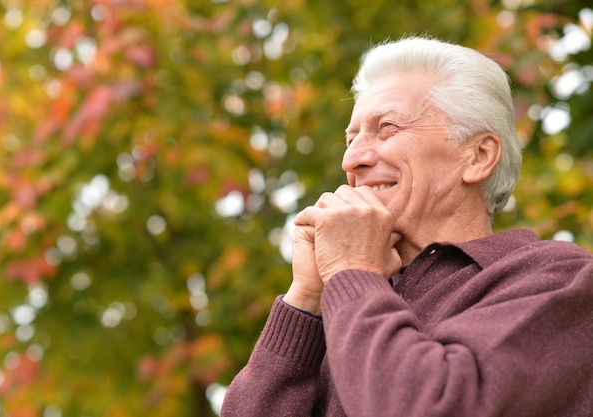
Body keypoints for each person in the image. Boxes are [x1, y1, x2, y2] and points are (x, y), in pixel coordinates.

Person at [220, 36, 593, 417]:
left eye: (387, 128)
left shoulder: (559, 277)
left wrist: (351, 269)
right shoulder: (352, 304)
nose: (352, 159)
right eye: (351, 138)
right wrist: (306, 303)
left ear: (478, 157)